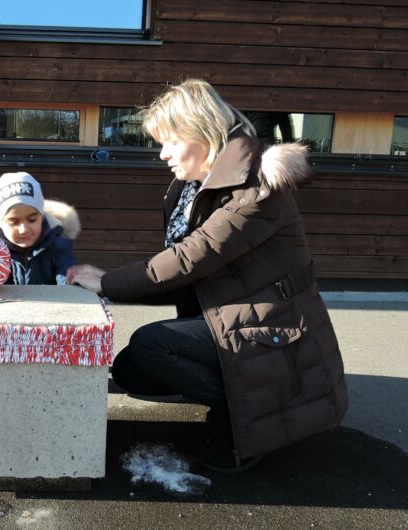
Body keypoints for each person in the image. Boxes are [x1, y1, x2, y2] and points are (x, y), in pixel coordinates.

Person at [68, 79, 347, 473]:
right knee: (133, 369)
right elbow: (186, 271)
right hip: (239, 318)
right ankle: (241, 394)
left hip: (277, 329)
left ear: (202, 131)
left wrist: (108, 283)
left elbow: (190, 258)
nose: (162, 154)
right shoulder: (198, 187)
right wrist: (111, 286)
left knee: (153, 345)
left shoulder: (256, 189)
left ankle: (251, 417)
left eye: (169, 141)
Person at [0, 172, 79, 285]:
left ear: (42, 216)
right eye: (13, 222)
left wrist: (71, 281)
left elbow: (68, 280)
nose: (23, 229)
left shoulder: (58, 245)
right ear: (0, 223)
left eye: (32, 220)